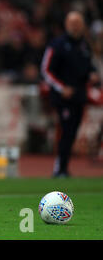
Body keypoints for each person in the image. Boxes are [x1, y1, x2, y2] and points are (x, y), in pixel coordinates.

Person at [41, 11, 99, 178]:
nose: (75, 26)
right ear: (66, 25)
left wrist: (92, 74)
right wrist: (61, 88)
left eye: (78, 23)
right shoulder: (57, 44)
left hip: (80, 95)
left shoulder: (84, 45)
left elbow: (89, 66)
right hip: (63, 97)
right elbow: (46, 70)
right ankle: (59, 168)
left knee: (73, 131)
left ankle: (64, 167)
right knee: (65, 130)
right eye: (72, 23)